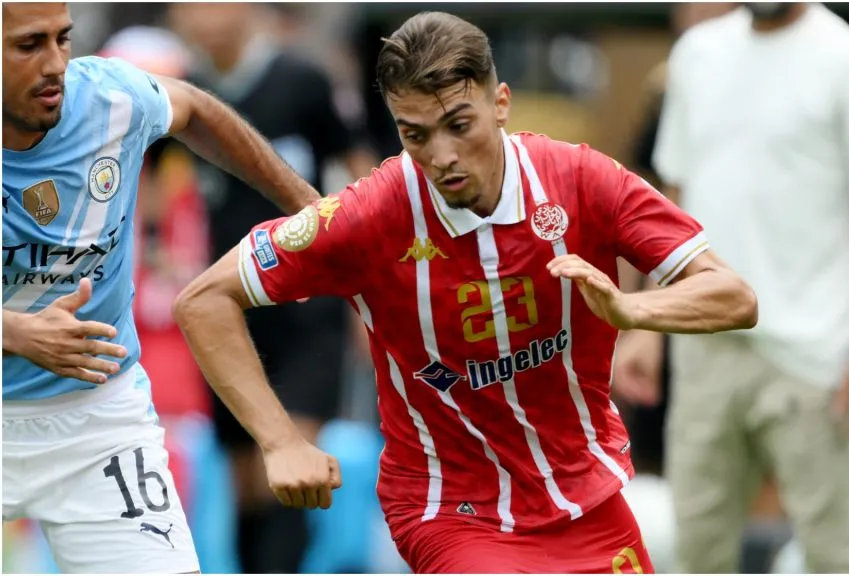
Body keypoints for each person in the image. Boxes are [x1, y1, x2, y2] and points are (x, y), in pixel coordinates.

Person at [173, 10, 758, 574]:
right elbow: (204, 299)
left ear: (500, 102)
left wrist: (631, 308)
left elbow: (733, 295)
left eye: (458, 124)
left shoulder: (580, 179)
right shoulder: (369, 216)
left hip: (585, 496)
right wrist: (279, 442)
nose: (442, 156)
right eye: (415, 135)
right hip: (451, 511)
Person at [1, 3, 339, 573]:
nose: (57, 63)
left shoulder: (108, 99)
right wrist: (14, 331)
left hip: (97, 420)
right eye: (30, 45)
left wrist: (315, 214)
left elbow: (196, 109)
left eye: (63, 39)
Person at [615, 2, 849, 573]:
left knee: (835, 556)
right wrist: (648, 327)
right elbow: (671, 200)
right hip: (705, 348)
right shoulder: (696, 55)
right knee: (696, 552)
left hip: (815, 353)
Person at [166, 3, 378, 571]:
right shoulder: (182, 94)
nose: (198, 15)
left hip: (307, 311)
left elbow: (362, 173)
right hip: (228, 311)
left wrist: (373, 288)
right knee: (243, 483)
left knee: (291, 460)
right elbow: (150, 187)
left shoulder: (302, 82)